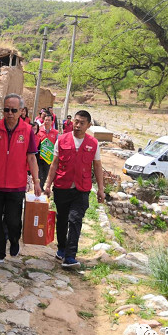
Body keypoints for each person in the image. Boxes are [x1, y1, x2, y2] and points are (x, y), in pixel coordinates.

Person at [0, 94, 42, 265]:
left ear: (21, 111)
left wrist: (37, 181)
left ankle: (14, 239)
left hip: (16, 187)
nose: (9, 113)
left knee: (13, 221)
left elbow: (32, 158)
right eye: (6, 109)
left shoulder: (27, 131)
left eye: (13, 110)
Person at [44, 110, 104, 269]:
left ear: (88, 125)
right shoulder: (62, 139)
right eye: (76, 122)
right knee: (62, 219)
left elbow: (97, 166)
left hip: (81, 189)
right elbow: (54, 164)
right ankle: (62, 248)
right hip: (62, 187)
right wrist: (47, 185)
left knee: (75, 219)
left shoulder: (93, 143)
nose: (78, 125)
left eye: (82, 123)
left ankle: (70, 256)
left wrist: (101, 189)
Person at [36, 114, 58, 190]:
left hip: (49, 157)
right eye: (45, 120)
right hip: (39, 156)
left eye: (49, 120)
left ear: (52, 122)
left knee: (46, 172)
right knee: (39, 172)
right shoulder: (39, 131)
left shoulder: (55, 133)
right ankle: (39, 186)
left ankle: (41, 186)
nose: (47, 122)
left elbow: (57, 144)